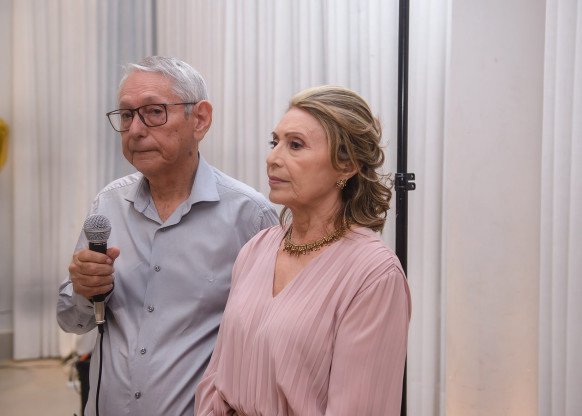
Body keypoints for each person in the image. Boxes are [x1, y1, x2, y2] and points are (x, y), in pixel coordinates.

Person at [57, 56, 279, 416]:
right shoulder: (108, 205)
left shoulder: (251, 217)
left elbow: (272, 344)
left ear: (200, 119)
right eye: (126, 115)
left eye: (154, 112)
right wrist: (83, 290)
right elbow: (72, 321)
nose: (135, 130)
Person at [195, 86, 411, 416]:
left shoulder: (374, 274)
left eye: (295, 145)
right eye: (275, 143)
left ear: (346, 165)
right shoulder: (256, 249)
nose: (272, 158)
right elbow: (216, 380)